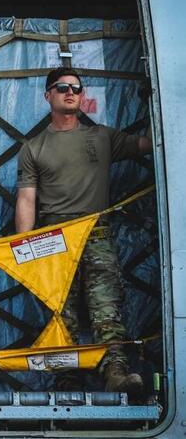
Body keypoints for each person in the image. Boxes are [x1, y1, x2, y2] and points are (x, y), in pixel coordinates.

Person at [14, 67, 153, 394]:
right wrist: (24, 248)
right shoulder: (33, 147)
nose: (70, 92)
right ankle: (67, 380)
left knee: (106, 307)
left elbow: (149, 144)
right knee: (61, 313)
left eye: (76, 87)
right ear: (48, 95)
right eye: (62, 87)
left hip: (97, 236)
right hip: (53, 238)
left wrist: (162, 104)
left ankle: (115, 372)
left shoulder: (102, 138)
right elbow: (26, 200)